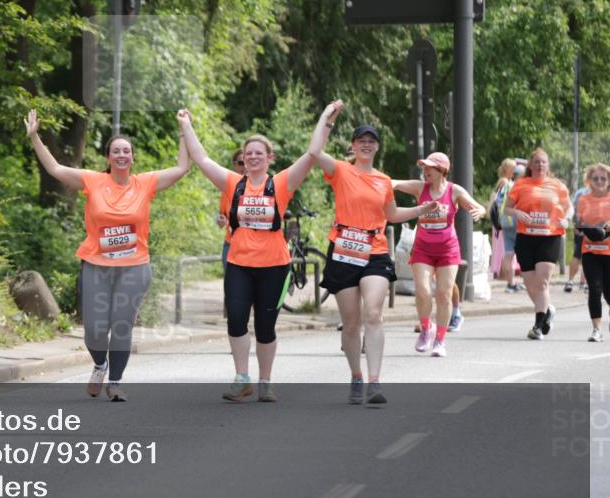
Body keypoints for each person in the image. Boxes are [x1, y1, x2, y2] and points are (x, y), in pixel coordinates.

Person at [178, 101, 344, 403]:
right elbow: (201, 159)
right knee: (236, 320)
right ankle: (242, 378)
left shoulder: (280, 183)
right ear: (243, 158)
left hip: (274, 266)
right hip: (239, 263)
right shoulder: (233, 183)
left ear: (269, 158)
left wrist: (325, 119)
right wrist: (186, 126)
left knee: (265, 327)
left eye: (258, 153)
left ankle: (265, 381)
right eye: (248, 154)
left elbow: (312, 154)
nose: (252, 158)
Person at [24, 110, 189, 401]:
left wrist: (183, 131)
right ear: (108, 157)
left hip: (134, 267)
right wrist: (35, 137)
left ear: (133, 158)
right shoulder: (93, 181)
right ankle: (100, 364)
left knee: (121, 324)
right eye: (116, 151)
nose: (122, 155)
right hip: (97, 265)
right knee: (95, 331)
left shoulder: (145, 183)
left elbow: (181, 168)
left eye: (126, 151)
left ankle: (115, 382)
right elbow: (56, 169)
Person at [312, 124, 441, 405]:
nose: (367, 145)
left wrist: (421, 209)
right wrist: (327, 117)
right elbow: (314, 151)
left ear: (377, 147)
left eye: (372, 141)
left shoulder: (383, 180)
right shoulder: (341, 170)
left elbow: (391, 214)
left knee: (372, 313)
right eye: (362, 141)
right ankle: (356, 375)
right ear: (354, 146)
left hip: (375, 251)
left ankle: (374, 382)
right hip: (345, 250)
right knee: (350, 325)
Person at [392, 152, 486, 358]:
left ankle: (440, 340)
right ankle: (426, 328)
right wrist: (381, 183)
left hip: (448, 250)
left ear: (442, 170)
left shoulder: (454, 191)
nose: (425, 171)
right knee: (423, 291)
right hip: (423, 249)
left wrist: (480, 211)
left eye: (430, 168)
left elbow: (478, 206)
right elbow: (396, 183)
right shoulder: (420, 188)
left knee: (443, 294)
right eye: (424, 167)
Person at [504, 148, 572, 340]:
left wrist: (566, 219)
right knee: (531, 285)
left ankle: (538, 326)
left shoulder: (557, 185)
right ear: (530, 165)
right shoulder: (521, 184)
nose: (540, 165)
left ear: (547, 165)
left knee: (542, 282)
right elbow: (508, 209)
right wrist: (517, 213)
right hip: (526, 237)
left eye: (543, 162)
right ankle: (547, 309)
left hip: (550, 236)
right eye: (537, 162)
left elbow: (569, 207)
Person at [577, 163, 610, 342]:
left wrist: (605, 231)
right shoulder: (584, 200)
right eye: (595, 178)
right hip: (589, 251)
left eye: (603, 178)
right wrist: (587, 229)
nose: (599, 181)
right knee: (594, 289)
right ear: (589, 181)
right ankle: (597, 329)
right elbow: (580, 222)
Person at [489, 159, 525, 293]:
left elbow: (497, 202)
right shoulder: (517, 187)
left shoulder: (506, 185)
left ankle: (510, 284)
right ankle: (523, 282)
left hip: (505, 222)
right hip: (516, 222)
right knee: (523, 253)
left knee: (508, 253)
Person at [217, 148, 246, 269]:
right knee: (232, 287)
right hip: (231, 245)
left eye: (248, 162)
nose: (245, 166)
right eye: (241, 163)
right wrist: (220, 221)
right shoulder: (227, 189)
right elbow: (221, 216)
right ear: (235, 165)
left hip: (256, 248)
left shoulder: (265, 186)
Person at [565, 183, 591, 293]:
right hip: (594, 228)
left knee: (577, 254)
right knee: (588, 255)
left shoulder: (580, 192)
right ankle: (584, 283)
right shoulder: (602, 192)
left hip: (581, 227)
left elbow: (574, 209)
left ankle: (572, 281)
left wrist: (576, 225)